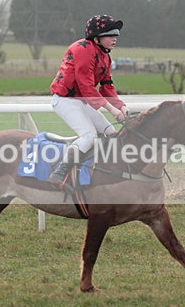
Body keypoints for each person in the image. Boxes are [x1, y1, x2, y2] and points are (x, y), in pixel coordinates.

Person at [47, 14, 129, 187]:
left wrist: (121, 106)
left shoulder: (105, 56)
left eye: (116, 35)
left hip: (82, 100)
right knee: (89, 136)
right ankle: (60, 172)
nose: (114, 39)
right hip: (65, 100)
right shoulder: (83, 50)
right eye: (110, 35)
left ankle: (99, 172)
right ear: (96, 38)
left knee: (111, 133)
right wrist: (112, 110)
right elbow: (86, 87)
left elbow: (106, 87)